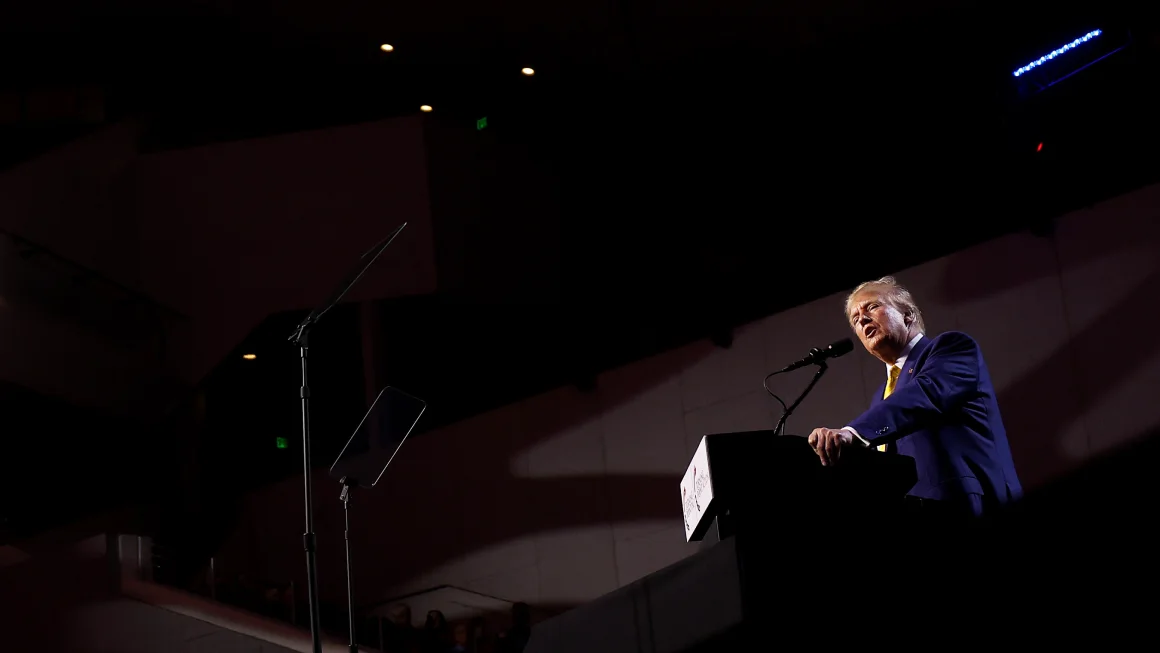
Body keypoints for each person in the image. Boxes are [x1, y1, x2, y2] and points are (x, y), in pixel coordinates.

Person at [807, 276, 1022, 517]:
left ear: (908, 314)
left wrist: (852, 433)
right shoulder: (881, 396)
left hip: (969, 502)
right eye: (856, 319)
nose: (863, 319)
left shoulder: (950, 348)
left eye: (872, 307)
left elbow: (925, 393)